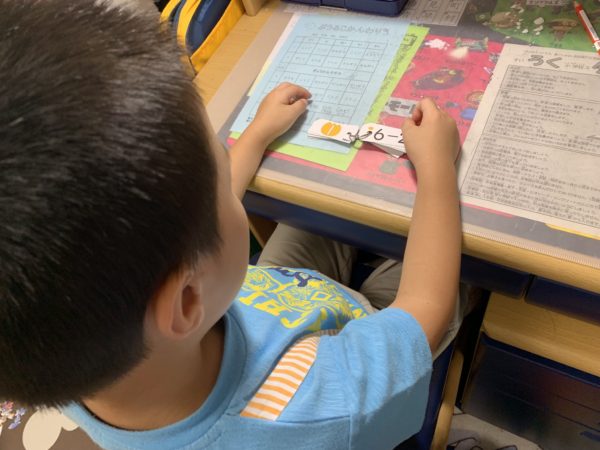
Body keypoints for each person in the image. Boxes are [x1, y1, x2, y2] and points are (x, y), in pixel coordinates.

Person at [0, 0, 463, 448]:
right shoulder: (325, 403)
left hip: (266, 299)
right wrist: (437, 165)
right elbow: (426, 305)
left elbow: (189, 228)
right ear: (186, 299)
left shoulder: (66, 355)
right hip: (345, 337)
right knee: (452, 278)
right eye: (222, 178)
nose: (227, 179)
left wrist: (256, 134)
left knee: (314, 225)